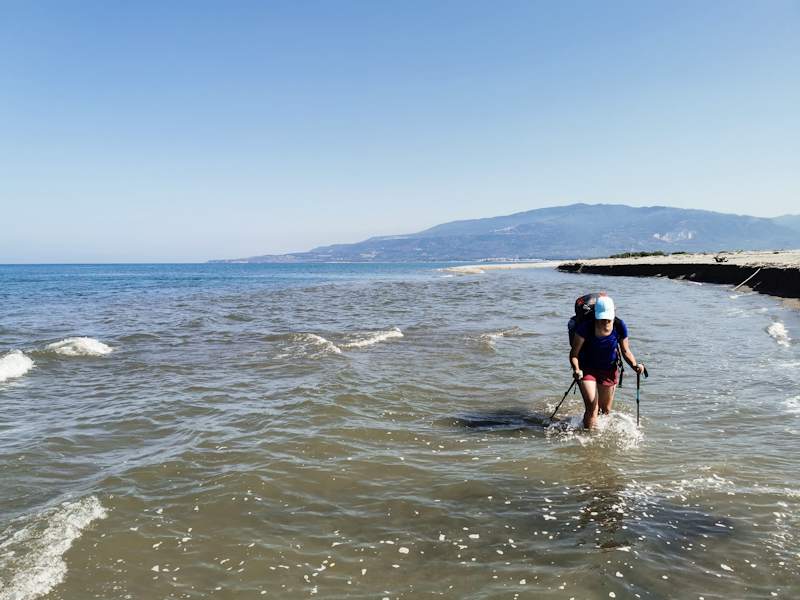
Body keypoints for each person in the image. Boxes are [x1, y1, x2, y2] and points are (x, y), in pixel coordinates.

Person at [569, 296, 644, 429]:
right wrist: (576, 369)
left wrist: (634, 365)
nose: (606, 320)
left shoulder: (619, 325)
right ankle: (588, 438)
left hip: (608, 370)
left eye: (608, 316)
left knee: (605, 411)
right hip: (587, 369)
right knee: (592, 406)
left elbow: (626, 351)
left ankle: (597, 434)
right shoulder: (586, 327)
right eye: (602, 317)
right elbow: (574, 353)